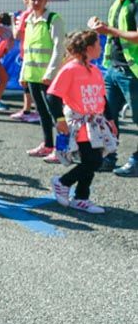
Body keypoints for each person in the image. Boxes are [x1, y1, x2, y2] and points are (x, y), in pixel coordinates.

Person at [48, 30, 117, 214]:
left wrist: (110, 120)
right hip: (79, 124)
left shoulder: (95, 70)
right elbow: (53, 96)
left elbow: (102, 97)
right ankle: (62, 182)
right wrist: (59, 119)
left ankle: (81, 198)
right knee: (92, 161)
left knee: (94, 160)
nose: (101, 48)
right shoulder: (70, 69)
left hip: (96, 124)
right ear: (88, 49)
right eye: (98, 45)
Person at [90, 0, 138, 176]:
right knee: (108, 115)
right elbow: (115, 32)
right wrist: (101, 26)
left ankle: (136, 161)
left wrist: (107, 29)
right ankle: (109, 157)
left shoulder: (135, 3)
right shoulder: (118, 2)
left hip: (132, 72)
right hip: (113, 70)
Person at [16, 0, 65, 162]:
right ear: (27, 1)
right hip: (32, 75)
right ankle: (48, 145)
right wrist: (23, 74)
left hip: (47, 76)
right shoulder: (29, 21)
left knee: (56, 113)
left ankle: (63, 150)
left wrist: (51, 73)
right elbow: (27, 51)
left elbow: (59, 49)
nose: (36, 2)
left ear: (46, 0)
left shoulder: (53, 19)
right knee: (42, 113)